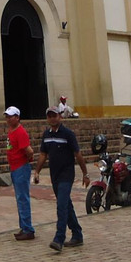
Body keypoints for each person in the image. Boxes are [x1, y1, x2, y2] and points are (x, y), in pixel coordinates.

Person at [33, 106, 90, 252]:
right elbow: (43, 155)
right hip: (55, 175)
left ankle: (59, 238)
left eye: (55, 115)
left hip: (67, 174)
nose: (52, 118)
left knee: (61, 205)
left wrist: (85, 174)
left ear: (60, 117)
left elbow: (78, 154)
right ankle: (77, 234)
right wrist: (37, 172)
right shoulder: (46, 135)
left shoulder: (68, 134)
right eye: (50, 116)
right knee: (66, 205)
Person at [5, 106, 36, 241]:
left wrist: (27, 160)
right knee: (20, 198)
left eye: (10, 116)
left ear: (17, 117)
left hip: (20, 168)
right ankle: (24, 226)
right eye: (7, 116)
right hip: (15, 167)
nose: (8, 119)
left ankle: (28, 229)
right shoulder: (12, 130)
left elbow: (29, 151)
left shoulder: (20, 132)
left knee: (23, 198)